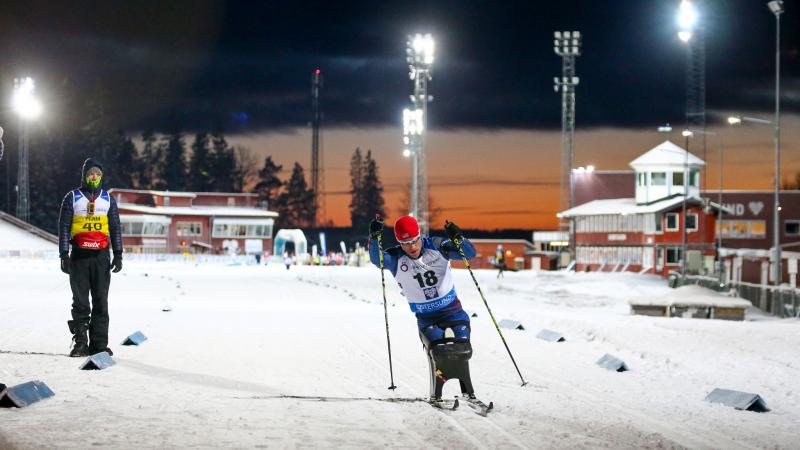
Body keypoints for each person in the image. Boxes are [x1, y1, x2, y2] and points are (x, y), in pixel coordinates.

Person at [369, 215, 480, 402]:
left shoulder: (437, 246)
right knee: (439, 354)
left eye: (414, 241)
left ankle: (467, 390)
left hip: (453, 311)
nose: (412, 247)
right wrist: (374, 237)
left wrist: (458, 238)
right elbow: (377, 260)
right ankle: (437, 392)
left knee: (462, 350)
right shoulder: (396, 258)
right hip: (427, 319)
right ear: (399, 242)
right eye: (405, 243)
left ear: (420, 235)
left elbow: (469, 254)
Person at [58, 158, 123, 357]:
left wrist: (118, 254)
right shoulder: (72, 197)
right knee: (80, 302)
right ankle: (80, 344)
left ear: (101, 176)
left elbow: (115, 228)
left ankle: (100, 345)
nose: (94, 176)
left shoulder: (108, 199)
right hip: (79, 257)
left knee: (101, 301)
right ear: (85, 175)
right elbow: (64, 227)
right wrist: (63, 254)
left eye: (98, 174)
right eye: (91, 173)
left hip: (101, 257)